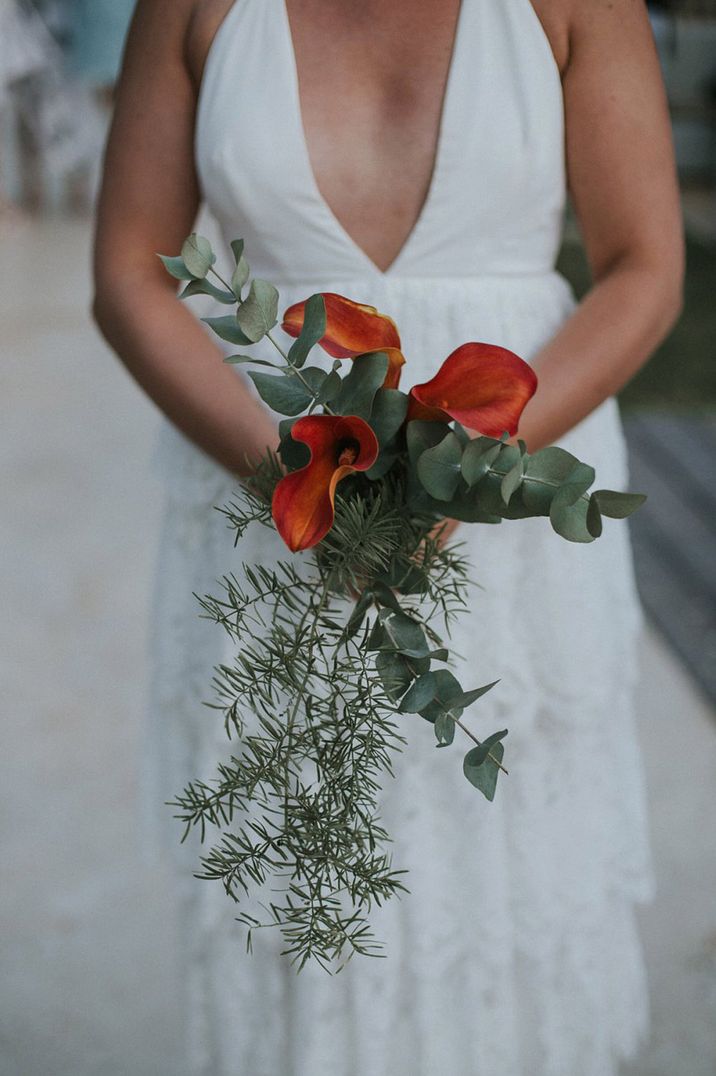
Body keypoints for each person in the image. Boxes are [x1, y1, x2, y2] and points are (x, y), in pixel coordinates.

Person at [92, 1, 684, 1073]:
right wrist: (299, 476)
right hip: (268, 498)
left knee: (511, 883)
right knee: (302, 891)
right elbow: (132, 267)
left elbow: (643, 264)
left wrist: (454, 478)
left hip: (509, 511)